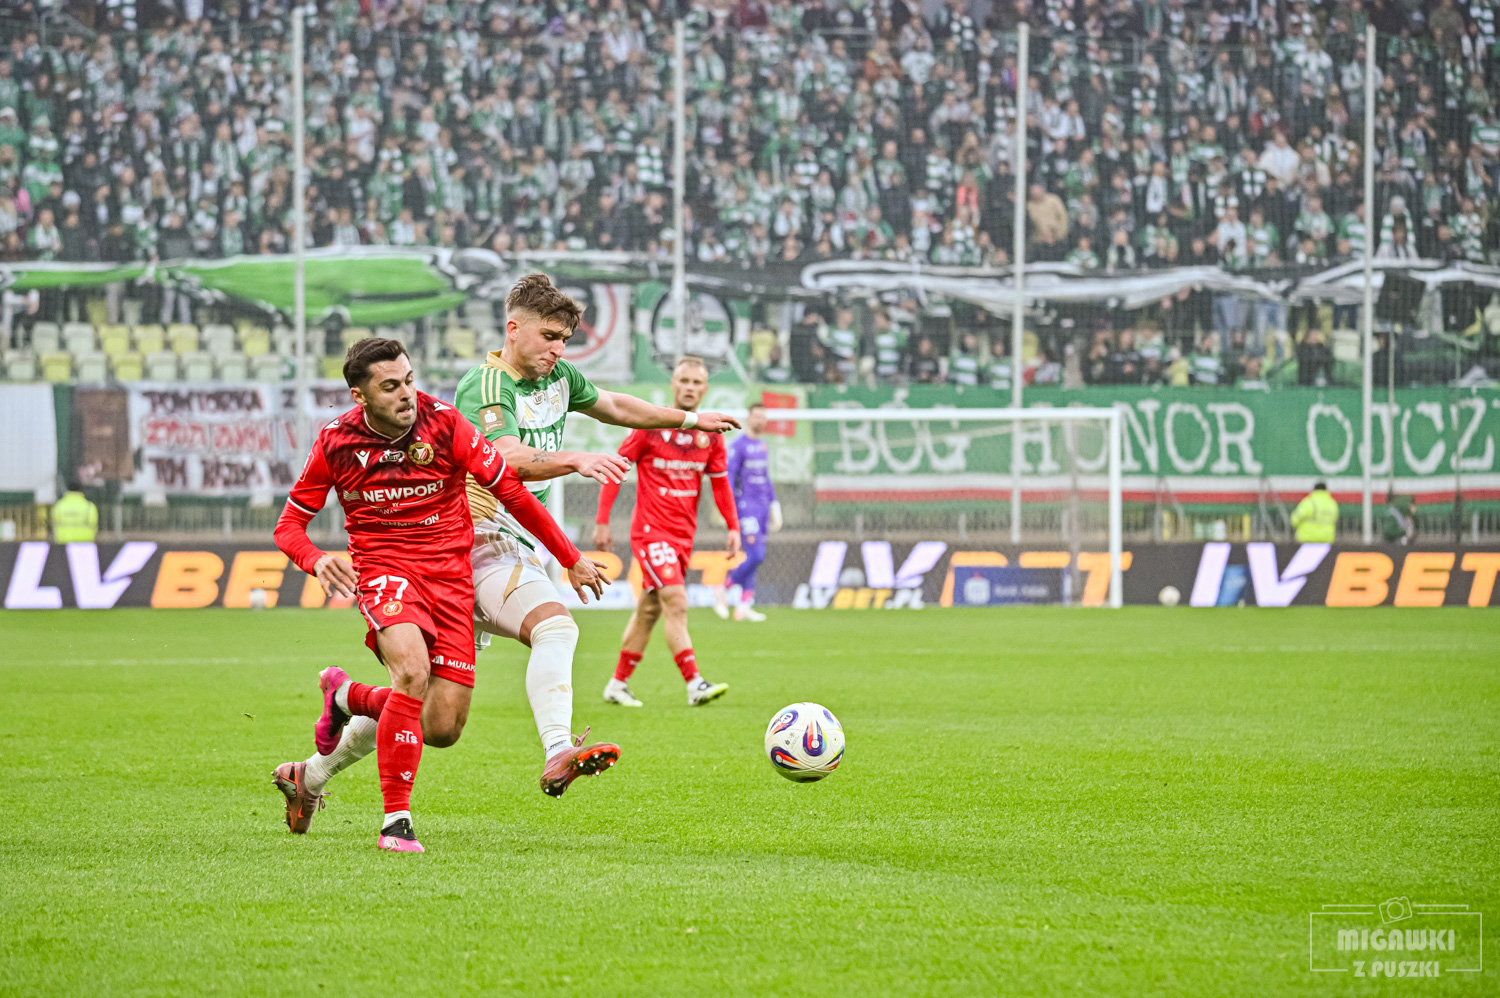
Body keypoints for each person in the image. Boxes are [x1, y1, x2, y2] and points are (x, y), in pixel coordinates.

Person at [270, 337, 608, 853]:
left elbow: (512, 492)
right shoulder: (336, 441)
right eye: (390, 386)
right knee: (411, 672)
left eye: (409, 379)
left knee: (441, 727)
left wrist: (569, 556)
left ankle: (345, 698)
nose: (407, 393)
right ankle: (396, 822)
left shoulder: (445, 423)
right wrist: (315, 560)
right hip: (386, 572)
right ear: (361, 396)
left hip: (451, 581)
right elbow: (289, 525)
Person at [595, 357, 742, 708]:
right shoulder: (649, 426)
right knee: (676, 600)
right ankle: (695, 683)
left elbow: (721, 485)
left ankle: (617, 684)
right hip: (651, 531)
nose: (690, 387)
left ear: (705, 389)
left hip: (683, 535)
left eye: (697, 382)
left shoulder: (710, 437)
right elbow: (616, 469)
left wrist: (733, 526)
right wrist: (602, 520)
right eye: (684, 380)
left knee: (649, 610)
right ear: (673, 385)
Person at [716, 402, 782, 622]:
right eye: (756, 416)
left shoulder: (763, 446)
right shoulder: (738, 446)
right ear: (748, 418)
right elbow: (728, 477)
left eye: (764, 417)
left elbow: (765, 477)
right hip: (746, 507)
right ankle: (723, 588)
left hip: (762, 508)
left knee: (754, 556)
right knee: (756, 554)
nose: (760, 420)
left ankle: (744, 606)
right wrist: (730, 508)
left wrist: (774, 504)